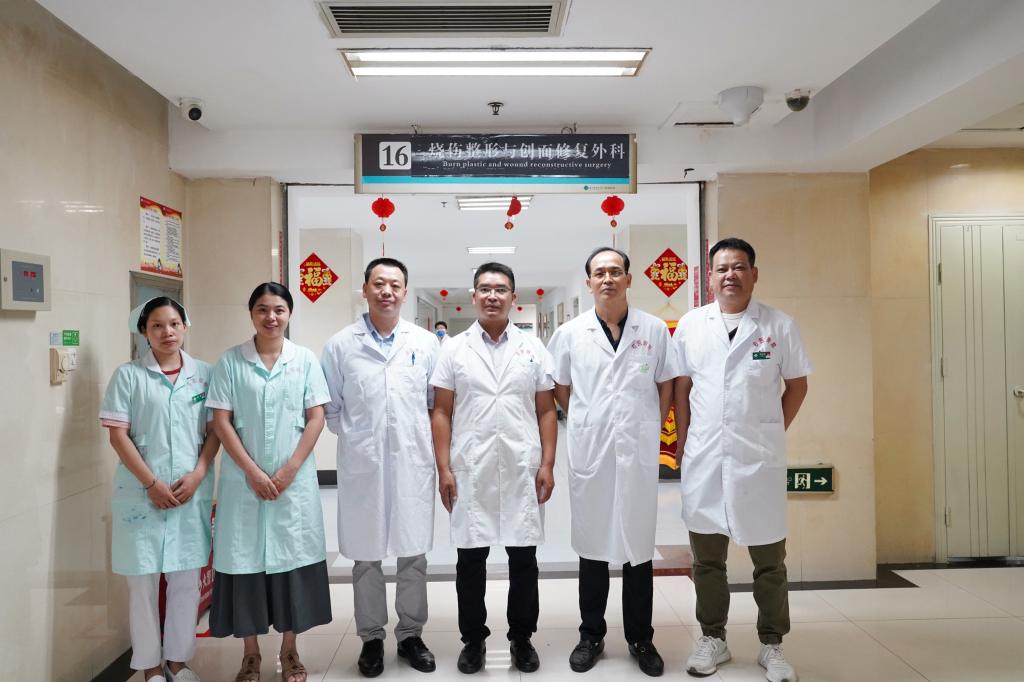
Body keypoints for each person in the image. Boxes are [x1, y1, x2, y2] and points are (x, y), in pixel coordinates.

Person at [673, 238, 810, 682]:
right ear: (709, 278)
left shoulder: (779, 325)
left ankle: (772, 643)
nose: (730, 275)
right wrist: (686, 441)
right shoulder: (692, 325)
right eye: (721, 268)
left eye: (738, 267)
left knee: (769, 561)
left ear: (754, 273)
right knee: (707, 560)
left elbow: (797, 385)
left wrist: (770, 431)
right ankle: (713, 637)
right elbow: (682, 389)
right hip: (705, 458)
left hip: (758, 461)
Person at [548, 247, 676, 677]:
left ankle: (641, 637)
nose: (608, 279)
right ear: (588, 283)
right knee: (593, 546)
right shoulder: (570, 332)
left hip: (637, 448)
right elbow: (560, 386)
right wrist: (585, 417)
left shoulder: (653, 329)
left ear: (628, 279)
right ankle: (591, 635)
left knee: (638, 546)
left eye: (616, 271)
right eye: (600, 273)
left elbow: (665, 383)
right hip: (593, 449)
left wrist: (649, 423)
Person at [430, 262, 558, 674]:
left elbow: (546, 410)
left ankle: (522, 638)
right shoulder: (453, 349)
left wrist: (548, 463)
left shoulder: (533, 348)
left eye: (500, 289)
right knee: (470, 560)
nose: (492, 296)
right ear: (473, 296)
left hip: (522, 465)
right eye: (484, 289)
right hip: (471, 465)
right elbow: (442, 411)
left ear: (513, 298)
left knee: (524, 558)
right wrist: (444, 468)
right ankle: (473, 640)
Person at [320, 258, 441, 677]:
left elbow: (435, 405)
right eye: (378, 283)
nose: (386, 291)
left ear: (405, 292)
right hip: (363, 465)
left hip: (412, 461)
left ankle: (410, 635)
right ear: (365, 289)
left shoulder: (425, 343)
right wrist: (361, 440)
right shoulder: (340, 345)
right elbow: (332, 408)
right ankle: (371, 637)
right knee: (366, 556)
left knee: (413, 554)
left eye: (395, 284)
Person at [206, 282, 332, 682]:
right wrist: (252, 472)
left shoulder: (305, 360)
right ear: (252, 314)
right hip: (244, 483)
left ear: (289, 314)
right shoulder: (231, 361)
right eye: (262, 309)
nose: (271, 317)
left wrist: (291, 468)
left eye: (278, 309)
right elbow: (221, 421)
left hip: (293, 481)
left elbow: (316, 417)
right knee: (244, 563)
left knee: (291, 563)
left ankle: (290, 651)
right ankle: (250, 654)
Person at [99, 297, 218, 682]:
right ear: (144, 332)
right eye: (157, 326)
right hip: (141, 496)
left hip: (189, 491)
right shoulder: (128, 376)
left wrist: (199, 473)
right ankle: (150, 666)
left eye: (174, 324)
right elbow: (118, 436)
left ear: (185, 326)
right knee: (142, 585)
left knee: (185, 582)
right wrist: (150, 483)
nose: (167, 332)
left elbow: (214, 431)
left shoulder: (204, 374)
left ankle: (178, 662)